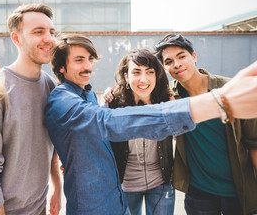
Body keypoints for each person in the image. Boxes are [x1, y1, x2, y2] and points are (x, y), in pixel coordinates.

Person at [44, 33, 257, 215]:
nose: (88, 66)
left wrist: (71, 160)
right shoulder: (68, 99)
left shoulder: (88, 93)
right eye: (79, 60)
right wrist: (215, 102)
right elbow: (104, 123)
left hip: (125, 195)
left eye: (90, 59)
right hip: (98, 201)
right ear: (61, 67)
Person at [0, 3, 62, 215]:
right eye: (38, 32)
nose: (49, 39)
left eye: (51, 32)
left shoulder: (51, 86)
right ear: (16, 39)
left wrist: (56, 188)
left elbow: (52, 146)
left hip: (36, 209)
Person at [154, 34, 257, 215]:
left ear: (194, 56)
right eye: (169, 61)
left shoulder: (229, 89)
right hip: (199, 194)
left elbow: (254, 143)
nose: (176, 64)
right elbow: (137, 92)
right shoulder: (170, 95)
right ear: (164, 67)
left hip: (238, 190)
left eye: (181, 56)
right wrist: (111, 93)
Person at [107, 49, 175, 215]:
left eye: (149, 72)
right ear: (126, 76)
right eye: (136, 72)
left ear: (156, 75)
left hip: (161, 183)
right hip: (126, 185)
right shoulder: (113, 105)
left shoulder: (167, 102)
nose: (143, 79)